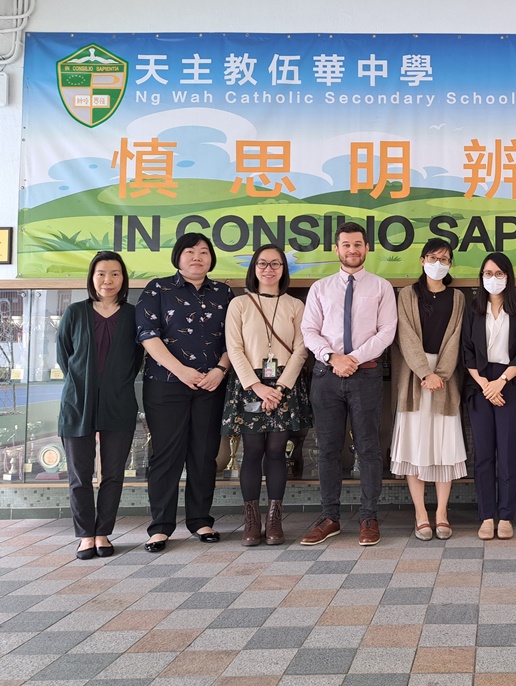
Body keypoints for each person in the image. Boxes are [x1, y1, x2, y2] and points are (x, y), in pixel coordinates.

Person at [300, 221, 397, 547]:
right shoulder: (320, 288)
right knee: (328, 448)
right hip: (326, 377)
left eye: (358, 244)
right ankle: (330, 517)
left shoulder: (381, 287)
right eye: (346, 245)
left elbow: (387, 332)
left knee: (368, 447)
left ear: (367, 248)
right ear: (336, 249)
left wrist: (352, 358)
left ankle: (369, 517)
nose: (352, 250)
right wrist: (333, 358)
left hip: (365, 375)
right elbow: (309, 330)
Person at [136, 233, 234, 553]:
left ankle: (200, 521)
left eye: (204, 252)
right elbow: (148, 335)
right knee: (166, 455)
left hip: (211, 385)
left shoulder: (223, 293)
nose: (197, 257)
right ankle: (160, 527)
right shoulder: (158, 289)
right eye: (190, 251)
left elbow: (235, 340)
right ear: (178, 257)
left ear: (211, 259)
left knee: (204, 455)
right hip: (166, 384)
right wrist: (181, 371)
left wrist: (220, 370)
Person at [223, 244, 311, 546]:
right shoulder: (239, 304)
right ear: (254, 268)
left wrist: (281, 387)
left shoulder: (295, 305)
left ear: (284, 269)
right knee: (252, 451)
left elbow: (301, 349)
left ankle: (274, 520)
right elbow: (234, 349)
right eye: (262, 263)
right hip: (250, 384)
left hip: (285, 384)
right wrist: (257, 386)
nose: (269, 269)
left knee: (276, 451)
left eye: (275, 264)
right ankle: (251, 521)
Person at [57, 251, 143, 559]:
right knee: (79, 475)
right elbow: (64, 355)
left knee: (113, 473)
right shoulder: (75, 312)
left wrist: (113, 385)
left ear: (123, 279)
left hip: (119, 403)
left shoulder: (133, 315)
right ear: (92, 277)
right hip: (77, 404)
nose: (108, 280)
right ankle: (85, 535)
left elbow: (136, 359)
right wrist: (83, 385)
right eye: (101, 273)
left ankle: (103, 532)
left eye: (115, 273)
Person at [390, 238, 467, 540]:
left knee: (444, 444)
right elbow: (405, 335)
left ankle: (442, 512)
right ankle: (421, 513)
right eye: (433, 257)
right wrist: (425, 372)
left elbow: (456, 337)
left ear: (450, 264)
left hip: (445, 379)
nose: (438, 263)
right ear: (422, 260)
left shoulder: (458, 297)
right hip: (414, 377)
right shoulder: (407, 295)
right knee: (414, 442)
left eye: (444, 259)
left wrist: (440, 375)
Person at [461, 252, 516, 540]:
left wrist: (501, 381)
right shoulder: (472, 309)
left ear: (508, 277)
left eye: (499, 273)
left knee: (507, 452)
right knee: (482, 454)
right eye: (488, 274)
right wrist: (485, 384)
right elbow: (467, 350)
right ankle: (486, 516)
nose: (493, 279)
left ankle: (505, 516)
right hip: (479, 383)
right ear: (481, 277)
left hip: (510, 382)